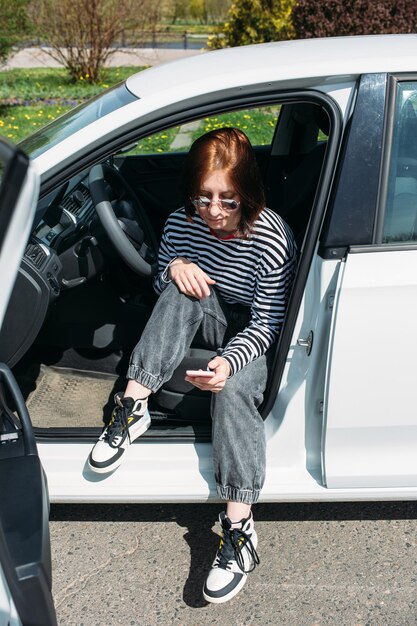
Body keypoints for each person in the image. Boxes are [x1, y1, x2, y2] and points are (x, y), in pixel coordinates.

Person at [88, 127, 297, 603]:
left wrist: (227, 361)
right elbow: (161, 273)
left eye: (228, 199)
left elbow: (268, 325)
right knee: (182, 286)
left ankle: (238, 529)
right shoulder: (183, 222)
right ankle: (133, 404)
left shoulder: (270, 236)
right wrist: (175, 267)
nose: (214, 212)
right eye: (204, 198)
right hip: (207, 311)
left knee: (236, 388)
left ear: (247, 191)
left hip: (250, 329)